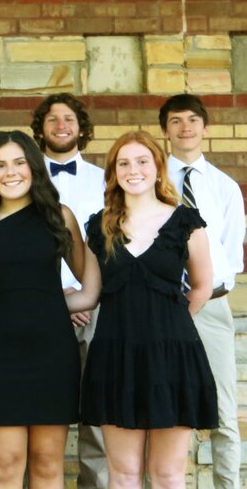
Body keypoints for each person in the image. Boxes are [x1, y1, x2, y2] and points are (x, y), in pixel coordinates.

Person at [67, 130, 218, 487]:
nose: (133, 169)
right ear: (114, 172)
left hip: (173, 356)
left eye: (141, 161)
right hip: (115, 357)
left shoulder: (186, 222)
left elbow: (202, 287)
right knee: (123, 474)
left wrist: (168, 325)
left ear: (157, 167)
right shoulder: (99, 226)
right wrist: (28, 302)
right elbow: (89, 294)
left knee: (167, 473)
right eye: (123, 163)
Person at [0, 130, 85, 488]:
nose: (10, 172)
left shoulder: (59, 217)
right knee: (4, 465)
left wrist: (47, 301)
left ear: (34, 167)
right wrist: (6, 300)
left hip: (52, 353)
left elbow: (89, 286)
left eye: (19, 163)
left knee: (48, 465)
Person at [160, 94, 244, 489]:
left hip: (210, 308)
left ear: (205, 128)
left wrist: (201, 286)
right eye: (176, 121)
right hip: (161, 308)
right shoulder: (151, 180)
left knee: (224, 412)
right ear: (166, 131)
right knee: (167, 411)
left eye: (193, 120)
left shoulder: (225, 188)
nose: (186, 127)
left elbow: (228, 251)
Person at [30, 93, 106, 489]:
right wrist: (61, 294)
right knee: (36, 416)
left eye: (69, 118)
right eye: (52, 119)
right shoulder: (20, 178)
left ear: (81, 127)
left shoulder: (104, 179)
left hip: (94, 312)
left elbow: (112, 243)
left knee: (97, 415)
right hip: (37, 310)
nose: (61, 125)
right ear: (40, 129)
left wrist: (87, 295)